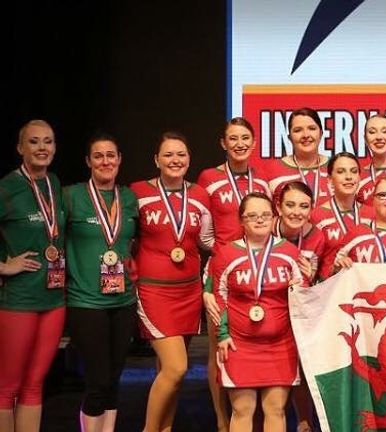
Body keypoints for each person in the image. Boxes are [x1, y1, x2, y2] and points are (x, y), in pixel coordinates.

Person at [131, 131, 213, 432]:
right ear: (156, 160)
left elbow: (206, 239)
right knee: (177, 367)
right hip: (153, 290)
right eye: (168, 154)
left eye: (181, 154)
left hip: (188, 291)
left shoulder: (200, 195)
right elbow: (123, 234)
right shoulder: (138, 192)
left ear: (189, 159)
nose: (175, 160)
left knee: (168, 372)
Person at [197, 117, 270, 432]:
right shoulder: (209, 178)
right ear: (223, 143)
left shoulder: (264, 178)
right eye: (233, 138)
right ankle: (222, 419)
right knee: (218, 348)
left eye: (245, 138)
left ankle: (251, 416)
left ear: (254, 143)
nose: (239, 143)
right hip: (222, 270)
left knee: (253, 343)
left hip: (261, 273)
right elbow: (202, 229)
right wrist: (227, 253)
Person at [63, 133, 139, 432]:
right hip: (85, 301)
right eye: (98, 156)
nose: (105, 161)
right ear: (88, 161)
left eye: (111, 155)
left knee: (113, 380)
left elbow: (135, 242)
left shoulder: (129, 197)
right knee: (97, 381)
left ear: (119, 159)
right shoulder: (71, 196)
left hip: (123, 302)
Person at [212, 192, 305, 432]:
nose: (260, 219)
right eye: (252, 215)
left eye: (265, 214)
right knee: (242, 410)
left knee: (276, 409)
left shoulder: (289, 252)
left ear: (274, 216)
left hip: (281, 345)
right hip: (240, 345)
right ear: (241, 220)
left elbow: (302, 296)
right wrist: (222, 334)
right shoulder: (227, 253)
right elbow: (218, 296)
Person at [0, 120, 66, 432]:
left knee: (34, 384)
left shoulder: (52, 183)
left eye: (48, 142)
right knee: (6, 387)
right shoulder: (7, 188)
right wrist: (3, 266)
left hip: (53, 299)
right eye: (34, 142)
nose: (42, 148)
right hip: (18, 300)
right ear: (20, 148)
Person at [272, 181, 324, 432]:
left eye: (303, 206)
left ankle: (304, 423)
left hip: (299, 311)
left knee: (303, 368)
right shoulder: (263, 228)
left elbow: (319, 282)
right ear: (279, 207)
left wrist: (311, 278)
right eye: (290, 205)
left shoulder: (317, 236)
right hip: (267, 311)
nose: (296, 212)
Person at [310, 152, 367, 281]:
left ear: (359, 177)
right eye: (341, 172)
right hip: (330, 290)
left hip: (363, 287)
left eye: (353, 171)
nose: (348, 177)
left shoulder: (372, 215)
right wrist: (333, 270)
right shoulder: (317, 216)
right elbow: (312, 265)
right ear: (330, 179)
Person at [265, 108, 330, 203]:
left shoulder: (337, 167)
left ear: (321, 134)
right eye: (298, 130)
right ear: (289, 137)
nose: (306, 135)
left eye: (312, 128)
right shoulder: (272, 171)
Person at [357, 115, 386, 203]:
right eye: (372, 132)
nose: (379, 137)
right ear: (365, 140)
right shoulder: (357, 177)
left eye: (384, 131)